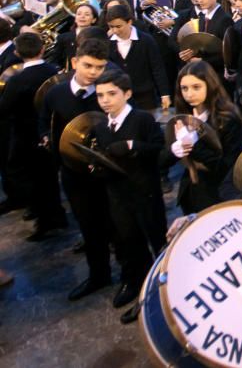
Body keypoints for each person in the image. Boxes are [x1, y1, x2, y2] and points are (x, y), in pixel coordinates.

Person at [40, 37, 114, 301]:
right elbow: (44, 121)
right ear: (74, 62)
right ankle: (99, 275)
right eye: (89, 66)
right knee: (88, 226)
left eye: (100, 67)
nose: (94, 73)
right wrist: (46, 137)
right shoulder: (55, 93)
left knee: (116, 223)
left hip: (107, 172)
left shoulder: (108, 93)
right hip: (73, 173)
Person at [92, 70, 166, 324]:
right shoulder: (101, 125)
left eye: (111, 94)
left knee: (155, 237)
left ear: (128, 94)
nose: (105, 100)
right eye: (100, 95)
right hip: (117, 194)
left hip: (145, 191)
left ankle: (163, 289)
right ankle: (135, 282)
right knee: (128, 240)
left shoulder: (142, 119)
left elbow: (159, 149)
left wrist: (133, 146)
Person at [0, 33, 62, 240]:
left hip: (26, 135)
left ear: (17, 53)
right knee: (50, 176)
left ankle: (44, 218)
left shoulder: (17, 80)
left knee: (29, 177)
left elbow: (4, 108)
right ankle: (57, 214)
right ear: (42, 49)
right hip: (51, 133)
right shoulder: (54, 71)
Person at [169, 60, 242, 213]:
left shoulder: (228, 120)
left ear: (209, 85)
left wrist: (192, 144)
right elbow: (165, 160)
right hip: (190, 194)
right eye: (184, 88)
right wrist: (173, 148)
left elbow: (226, 166)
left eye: (196, 87)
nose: (189, 94)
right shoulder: (184, 117)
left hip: (217, 196)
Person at [105, 3, 170, 112]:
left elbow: (157, 68)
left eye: (118, 26)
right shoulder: (109, 44)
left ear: (129, 22)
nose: (115, 31)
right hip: (120, 97)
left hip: (146, 97)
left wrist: (164, 94)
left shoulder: (146, 40)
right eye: (111, 27)